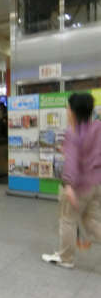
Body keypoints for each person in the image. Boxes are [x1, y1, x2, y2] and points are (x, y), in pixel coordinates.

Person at [43, 93, 101, 269]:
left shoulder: (72, 131)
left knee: (67, 220)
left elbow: (72, 162)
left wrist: (68, 185)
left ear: (74, 111)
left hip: (78, 186)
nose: (67, 111)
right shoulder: (98, 127)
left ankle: (66, 258)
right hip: (95, 183)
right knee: (92, 222)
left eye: (68, 108)